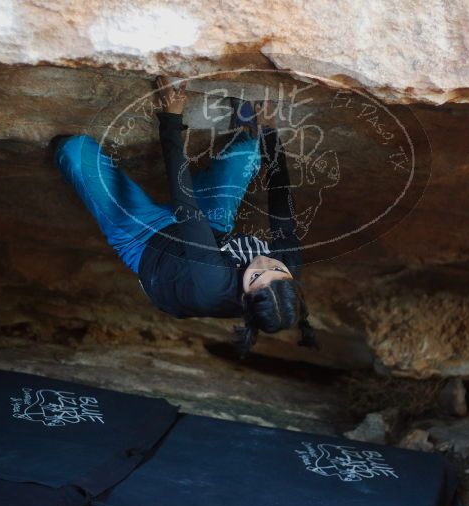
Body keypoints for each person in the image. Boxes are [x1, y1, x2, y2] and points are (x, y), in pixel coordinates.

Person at [52, 76, 318, 356]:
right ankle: (247, 133)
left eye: (255, 277)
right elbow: (281, 205)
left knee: (75, 150)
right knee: (253, 150)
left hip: (147, 241)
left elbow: (185, 205)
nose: (264, 263)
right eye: (277, 271)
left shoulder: (215, 281)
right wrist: (270, 134)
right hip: (210, 231)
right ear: (292, 280)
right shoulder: (288, 265)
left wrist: (170, 119)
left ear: (247, 297)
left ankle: (64, 154)